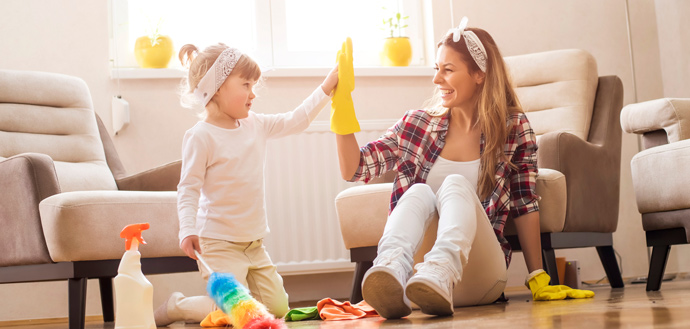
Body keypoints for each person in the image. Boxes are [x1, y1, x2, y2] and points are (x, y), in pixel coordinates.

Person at [332, 18, 593, 319]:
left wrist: (538, 275)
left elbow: (524, 202)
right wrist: (342, 107)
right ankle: (390, 268)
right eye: (436, 69)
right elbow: (356, 169)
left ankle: (442, 270)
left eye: (448, 70)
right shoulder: (417, 125)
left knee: (455, 184)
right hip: (416, 283)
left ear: (479, 74)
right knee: (417, 193)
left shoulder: (513, 128)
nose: (436, 79)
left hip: (479, 277)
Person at [154, 43, 338, 326]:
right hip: (217, 244)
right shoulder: (201, 136)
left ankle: (235, 300)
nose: (253, 93)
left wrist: (327, 87)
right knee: (233, 311)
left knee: (277, 308)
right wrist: (188, 229)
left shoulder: (256, 125)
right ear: (216, 89)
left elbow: (296, 120)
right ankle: (176, 306)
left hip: (254, 244)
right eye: (246, 84)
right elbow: (188, 188)